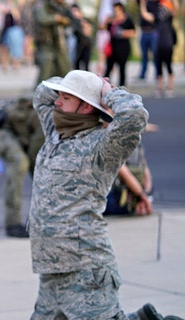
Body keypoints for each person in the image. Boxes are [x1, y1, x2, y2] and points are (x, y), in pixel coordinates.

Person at [28, 69, 175, 319]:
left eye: (66, 97)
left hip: (86, 269)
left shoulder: (102, 146)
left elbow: (134, 116)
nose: (57, 101)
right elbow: (41, 94)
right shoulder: (55, 133)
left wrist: (107, 92)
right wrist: (80, 82)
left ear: (86, 108)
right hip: (51, 269)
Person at [0, 95, 43, 238]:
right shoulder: (49, 112)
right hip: (3, 132)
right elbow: (35, 154)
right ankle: (13, 223)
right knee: (20, 162)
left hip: (22, 136)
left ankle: (39, 221)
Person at [140, 0, 177, 98]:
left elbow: (175, 8)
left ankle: (170, 88)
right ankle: (159, 88)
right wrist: (143, 4)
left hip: (168, 43)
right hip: (158, 44)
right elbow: (145, 15)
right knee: (159, 67)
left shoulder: (169, 17)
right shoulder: (156, 18)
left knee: (169, 66)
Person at [104, 143, 154, 216]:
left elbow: (125, 173)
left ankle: (137, 205)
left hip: (124, 196)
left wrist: (143, 197)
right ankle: (138, 205)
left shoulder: (117, 141)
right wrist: (145, 196)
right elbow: (145, 172)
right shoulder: (137, 144)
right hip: (129, 196)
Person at [32, 0, 72, 86]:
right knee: (46, 70)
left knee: (64, 68)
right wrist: (56, 18)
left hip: (57, 43)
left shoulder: (60, 6)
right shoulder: (41, 3)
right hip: (46, 43)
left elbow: (68, 20)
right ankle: (38, 93)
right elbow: (42, 18)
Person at [101, 2, 135, 87]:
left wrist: (123, 33)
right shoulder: (112, 21)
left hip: (123, 47)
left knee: (122, 68)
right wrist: (106, 21)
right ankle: (105, 86)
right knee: (108, 68)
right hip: (112, 48)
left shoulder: (127, 20)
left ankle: (122, 87)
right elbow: (102, 28)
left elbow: (133, 32)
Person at [136, 0, 159, 81]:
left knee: (155, 54)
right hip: (143, 31)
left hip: (153, 31)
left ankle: (158, 73)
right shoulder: (143, 2)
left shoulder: (156, 2)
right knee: (144, 55)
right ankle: (143, 73)